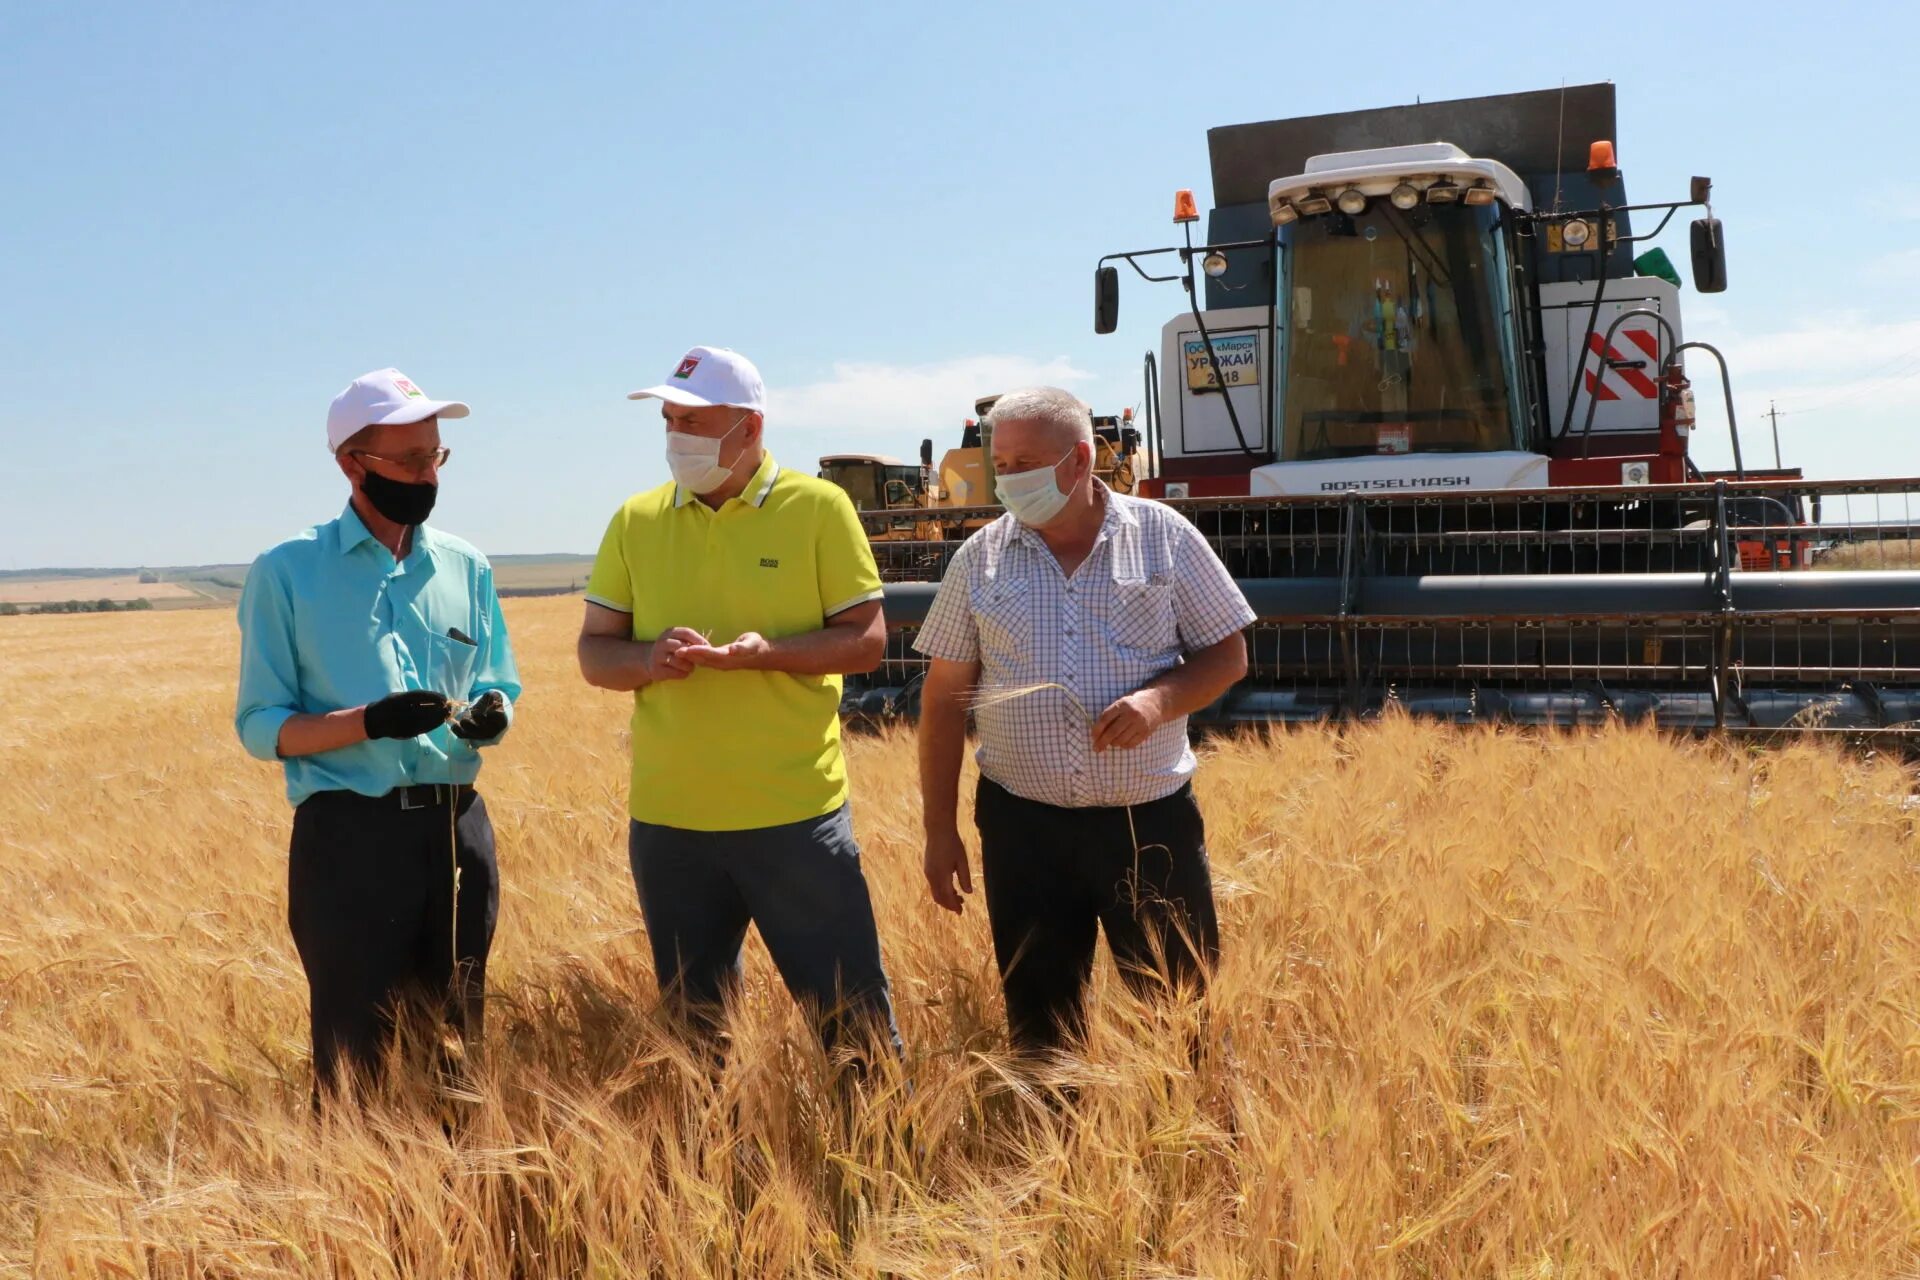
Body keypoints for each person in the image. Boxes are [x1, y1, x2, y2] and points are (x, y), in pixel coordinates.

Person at [576, 345, 901, 1072]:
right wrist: (649, 658)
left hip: (794, 816)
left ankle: (885, 1168)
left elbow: (867, 642)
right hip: (670, 825)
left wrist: (768, 654)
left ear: (750, 427)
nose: (676, 439)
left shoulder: (819, 508)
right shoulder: (636, 520)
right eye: (669, 421)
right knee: (698, 1042)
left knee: (856, 1034)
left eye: (694, 422)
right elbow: (596, 655)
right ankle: (723, 1179)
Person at [914, 386, 1254, 1056]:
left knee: (1180, 1019)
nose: (1007, 478)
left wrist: (1158, 702)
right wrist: (938, 831)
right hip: (1023, 827)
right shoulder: (978, 558)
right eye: (1001, 463)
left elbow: (1228, 654)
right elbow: (942, 700)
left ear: (1079, 459)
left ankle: (1192, 1149)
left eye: (1024, 463)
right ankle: (1055, 1153)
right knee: (1041, 1028)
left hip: (1147, 824)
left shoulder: (1164, 537)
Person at [234, 367, 520, 1102]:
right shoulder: (287, 573)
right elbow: (262, 726)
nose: (428, 476)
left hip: (457, 837)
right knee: (355, 1069)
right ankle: (358, 1208)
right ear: (350, 463)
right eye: (410, 461)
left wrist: (492, 713)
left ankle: (453, 1209)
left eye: (436, 457)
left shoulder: (467, 566)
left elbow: (500, 681)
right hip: (348, 844)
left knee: (458, 1056)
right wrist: (367, 722)